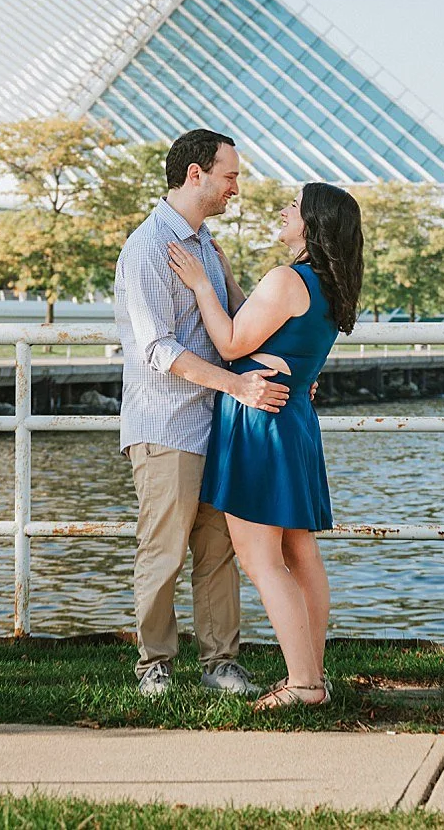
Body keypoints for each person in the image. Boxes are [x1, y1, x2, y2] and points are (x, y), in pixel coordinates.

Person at [169, 181, 362, 710]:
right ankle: (312, 674)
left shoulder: (285, 280)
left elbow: (232, 341)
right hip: (292, 418)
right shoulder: (325, 284)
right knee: (300, 553)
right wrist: (228, 280)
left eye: (294, 207)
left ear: (313, 223)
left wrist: (201, 286)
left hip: (260, 423)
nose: (283, 210)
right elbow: (264, 329)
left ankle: (304, 685)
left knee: (259, 560)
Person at [113, 129, 290, 698]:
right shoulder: (147, 247)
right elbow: (157, 349)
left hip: (219, 423)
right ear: (197, 174)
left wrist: (283, 368)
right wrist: (238, 386)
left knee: (218, 552)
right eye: (230, 175)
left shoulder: (205, 243)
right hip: (166, 423)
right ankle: (154, 666)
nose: (236, 187)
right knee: (163, 549)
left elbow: (234, 325)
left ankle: (220, 663)